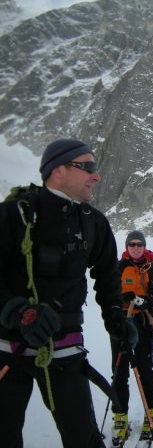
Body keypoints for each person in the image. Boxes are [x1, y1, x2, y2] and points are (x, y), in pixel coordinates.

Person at [0, 139, 137, 448]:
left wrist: (115, 316)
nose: (96, 175)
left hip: (65, 351)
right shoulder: (13, 214)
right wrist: (17, 312)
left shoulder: (94, 224)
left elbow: (107, 276)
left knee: (84, 439)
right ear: (57, 170)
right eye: (86, 166)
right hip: (8, 349)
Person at [110, 231, 153, 446]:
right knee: (119, 372)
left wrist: (150, 304)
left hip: (143, 324)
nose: (135, 247)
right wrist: (121, 299)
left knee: (145, 370)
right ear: (127, 246)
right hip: (121, 325)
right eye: (132, 244)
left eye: (139, 244)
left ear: (144, 247)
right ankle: (120, 417)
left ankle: (151, 414)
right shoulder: (118, 268)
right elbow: (108, 293)